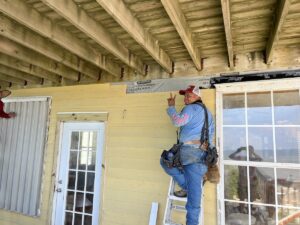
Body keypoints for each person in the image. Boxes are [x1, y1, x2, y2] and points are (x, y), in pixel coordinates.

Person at [160, 85, 215, 225]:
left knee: (165, 160)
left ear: (198, 96)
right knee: (194, 200)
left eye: (189, 95)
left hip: (190, 153)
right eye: (185, 95)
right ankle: (189, 187)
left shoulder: (192, 108)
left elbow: (178, 121)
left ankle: (186, 186)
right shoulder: (208, 113)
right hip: (204, 156)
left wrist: (171, 107)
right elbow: (211, 134)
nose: (186, 98)